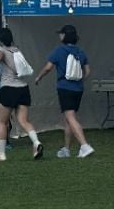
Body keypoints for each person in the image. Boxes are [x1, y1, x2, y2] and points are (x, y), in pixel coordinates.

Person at [35, 24, 94, 158]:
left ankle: (84, 145)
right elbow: (87, 71)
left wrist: (39, 77)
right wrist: (80, 80)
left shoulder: (59, 50)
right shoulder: (80, 51)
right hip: (78, 89)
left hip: (65, 88)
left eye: (61, 34)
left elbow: (48, 67)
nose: (60, 36)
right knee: (69, 118)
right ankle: (66, 149)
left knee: (70, 118)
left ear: (64, 36)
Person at [0, 27, 43, 162]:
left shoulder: (1, 50)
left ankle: (1, 154)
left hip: (8, 88)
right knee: (24, 120)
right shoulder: (16, 50)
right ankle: (36, 142)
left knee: (2, 122)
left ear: (0, 40)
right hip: (23, 88)